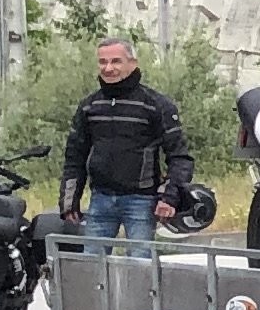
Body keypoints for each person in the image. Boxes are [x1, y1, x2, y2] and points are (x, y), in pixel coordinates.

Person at [60, 39, 192, 248]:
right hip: (100, 200)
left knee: (141, 265)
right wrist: (69, 202)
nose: (108, 68)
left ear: (132, 63)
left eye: (116, 61)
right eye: (103, 62)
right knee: (93, 264)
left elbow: (180, 158)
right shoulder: (89, 106)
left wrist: (169, 198)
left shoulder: (156, 105)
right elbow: (74, 157)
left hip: (141, 202)